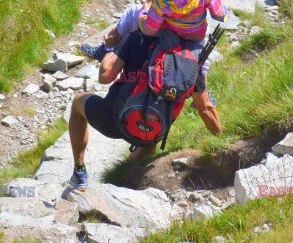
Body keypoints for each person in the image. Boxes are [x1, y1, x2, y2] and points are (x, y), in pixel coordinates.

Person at [69, 30, 222, 191]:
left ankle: (79, 172)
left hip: (112, 120)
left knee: (78, 102)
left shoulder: (139, 38)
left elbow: (105, 76)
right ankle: (122, 176)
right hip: (151, 133)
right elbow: (205, 108)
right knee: (150, 131)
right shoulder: (188, 57)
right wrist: (221, 141)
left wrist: (110, 48)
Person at [80, 0, 231, 105]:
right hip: (194, 40)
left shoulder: (161, 0)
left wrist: (144, 14)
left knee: (133, 11)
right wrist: (223, 12)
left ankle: (105, 50)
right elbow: (220, 14)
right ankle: (203, 94)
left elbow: (149, 31)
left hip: (169, 38)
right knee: (201, 59)